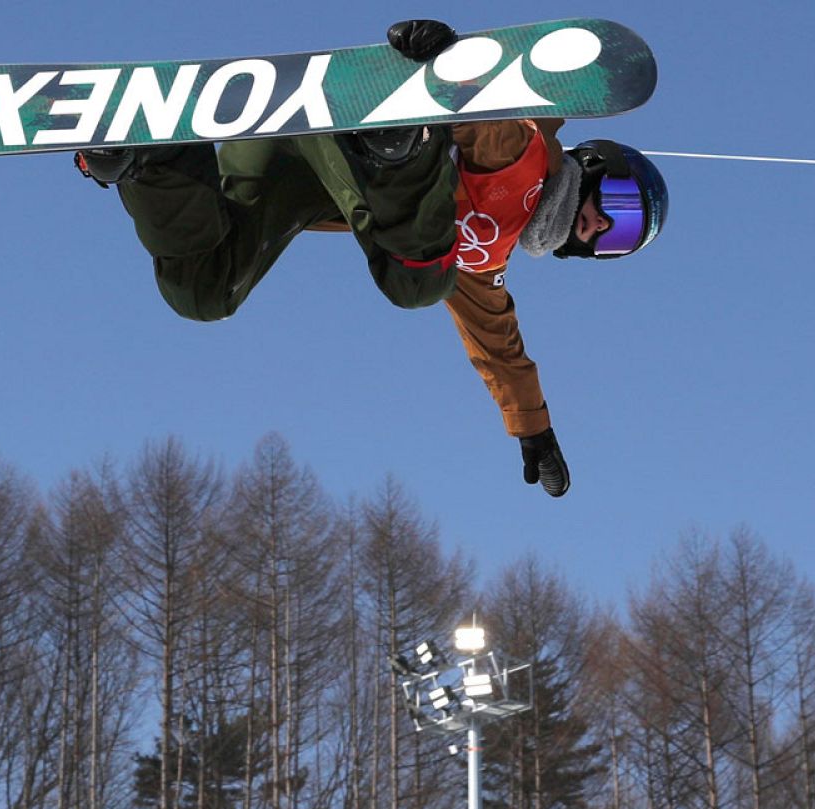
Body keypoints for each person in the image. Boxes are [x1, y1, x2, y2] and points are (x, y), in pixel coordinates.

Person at [75, 20, 668, 498]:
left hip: (300, 166)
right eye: (619, 202)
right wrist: (436, 64)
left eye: (620, 237)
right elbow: (488, 106)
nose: (604, 225)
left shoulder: (487, 265)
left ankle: (148, 162)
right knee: (417, 286)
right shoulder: (529, 154)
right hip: (360, 138)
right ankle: (397, 144)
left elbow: (501, 351)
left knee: (202, 294)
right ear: (594, 166)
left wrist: (534, 431)